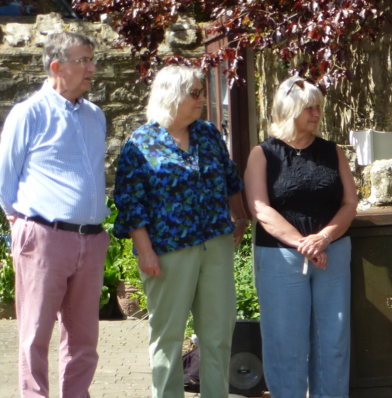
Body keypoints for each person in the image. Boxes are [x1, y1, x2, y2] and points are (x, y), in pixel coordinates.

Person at [113, 65, 247, 398]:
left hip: (215, 244)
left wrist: (241, 217)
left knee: (217, 334)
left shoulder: (208, 133)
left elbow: (230, 179)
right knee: (168, 335)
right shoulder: (140, 143)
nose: (203, 98)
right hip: (168, 250)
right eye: (196, 93)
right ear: (172, 96)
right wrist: (145, 251)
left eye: (202, 92)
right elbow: (130, 203)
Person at [0, 31, 110, 398]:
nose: (92, 68)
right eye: (84, 61)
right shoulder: (28, 113)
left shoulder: (96, 116)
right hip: (43, 239)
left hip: (91, 240)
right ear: (56, 66)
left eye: (93, 60)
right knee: (35, 335)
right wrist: (21, 226)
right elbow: (5, 179)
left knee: (84, 340)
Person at [244, 76, 359, 396]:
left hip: (331, 252)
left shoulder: (332, 151)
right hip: (281, 256)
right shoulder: (263, 154)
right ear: (289, 109)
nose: (316, 113)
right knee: (285, 341)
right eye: (309, 107)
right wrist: (302, 243)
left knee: (333, 341)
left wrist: (323, 238)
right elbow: (260, 209)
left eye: (319, 106)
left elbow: (350, 203)